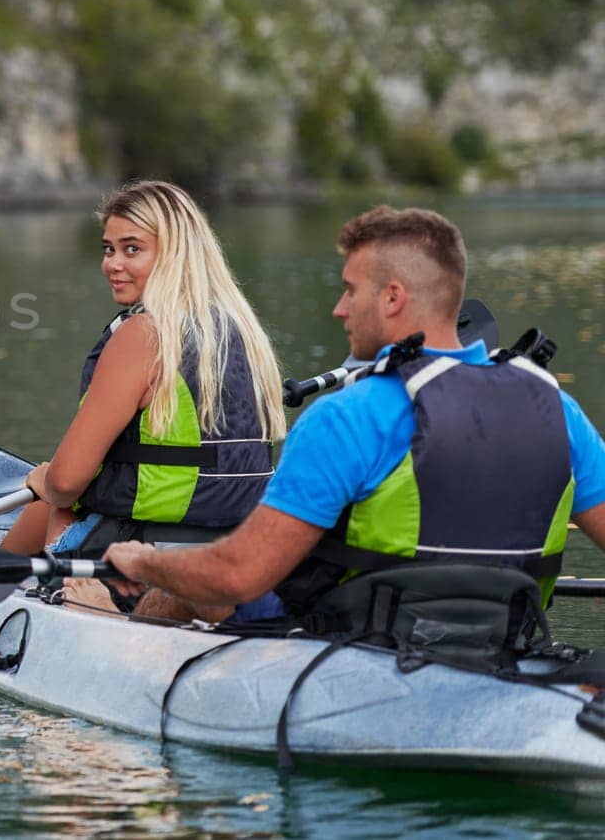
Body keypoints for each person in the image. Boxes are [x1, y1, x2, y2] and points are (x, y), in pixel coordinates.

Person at [102, 205, 605, 631]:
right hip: (507, 645)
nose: (340, 309)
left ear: (392, 298)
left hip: (361, 652)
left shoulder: (348, 417)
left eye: (350, 290)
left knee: (168, 596)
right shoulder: (558, 410)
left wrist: (145, 562)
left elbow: (238, 576)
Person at [0, 181, 287, 617]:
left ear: (174, 255)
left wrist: (45, 481)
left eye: (132, 249)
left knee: (52, 491)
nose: (112, 264)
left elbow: (66, 482)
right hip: (231, 549)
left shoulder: (144, 335)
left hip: (135, 555)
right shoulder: (241, 331)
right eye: (108, 249)